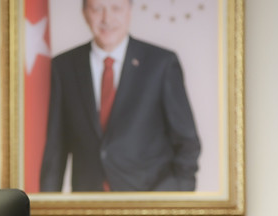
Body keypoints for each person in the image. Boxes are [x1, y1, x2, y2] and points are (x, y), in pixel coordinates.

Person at [40, 0, 201, 192]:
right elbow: (55, 149)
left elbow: (187, 143)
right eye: (97, 9)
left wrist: (174, 199)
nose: (107, 19)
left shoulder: (161, 64)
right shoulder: (63, 67)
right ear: (84, 13)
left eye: (116, 8)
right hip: (88, 202)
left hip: (149, 200)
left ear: (129, 11)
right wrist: (48, 206)